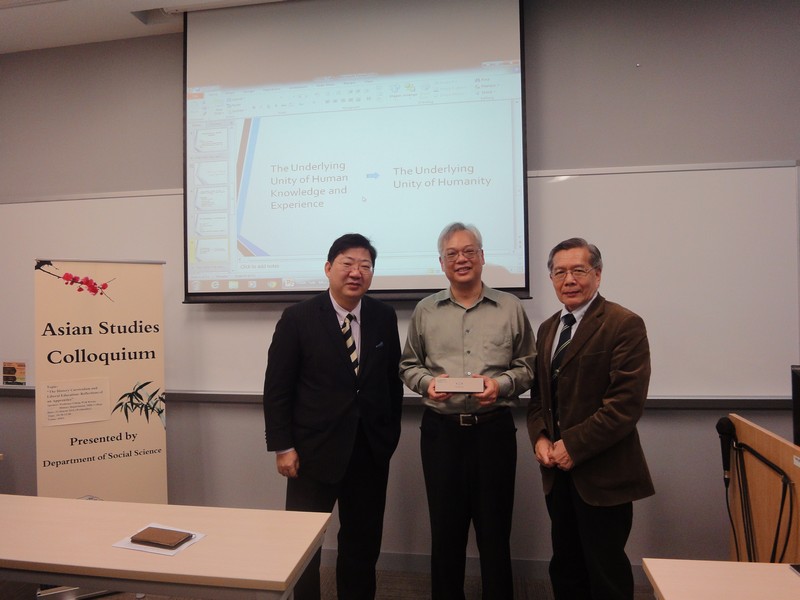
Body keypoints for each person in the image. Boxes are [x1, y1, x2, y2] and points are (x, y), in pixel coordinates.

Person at [262, 233, 403, 600]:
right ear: (328, 268)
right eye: (347, 264)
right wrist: (282, 446)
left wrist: (388, 438)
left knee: (362, 543)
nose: (356, 272)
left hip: (369, 452)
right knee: (304, 545)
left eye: (365, 265)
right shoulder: (298, 318)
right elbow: (277, 387)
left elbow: (392, 381)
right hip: (311, 453)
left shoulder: (383, 316)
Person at [400, 222, 536, 600]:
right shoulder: (426, 310)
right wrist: (428, 384)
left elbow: (528, 365)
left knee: (495, 532)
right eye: (452, 254)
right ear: (441, 263)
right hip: (441, 434)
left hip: (493, 431)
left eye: (469, 251)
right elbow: (408, 365)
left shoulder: (509, 306)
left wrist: (503, 385)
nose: (461, 259)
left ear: (482, 257)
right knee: (445, 533)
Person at [527, 237, 654, 600]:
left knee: (606, 572)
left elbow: (624, 406)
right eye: (559, 272)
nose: (569, 279)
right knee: (565, 567)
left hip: (602, 475)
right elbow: (540, 398)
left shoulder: (623, 323)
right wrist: (540, 437)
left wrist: (574, 446)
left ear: (597, 275)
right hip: (557, 474)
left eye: (578, 270)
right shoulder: (549, 327)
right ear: (551, 278)